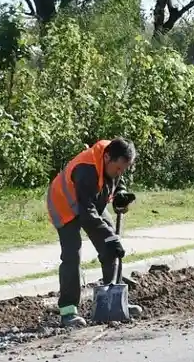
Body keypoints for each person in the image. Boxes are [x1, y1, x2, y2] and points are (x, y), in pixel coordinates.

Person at [47, 138, 137, 328]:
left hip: (87, 200)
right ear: (107, 158)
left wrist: (120, 192)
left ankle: (116, 301)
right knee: (72, 255)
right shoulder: (86, 170)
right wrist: (109, 238)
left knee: (110, 245)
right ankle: (68, 311)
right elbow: (87, 214)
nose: (120, 173)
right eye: (118, 169)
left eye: (124, 170)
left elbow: (111, 180)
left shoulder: (114, 154)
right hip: (64, 204)